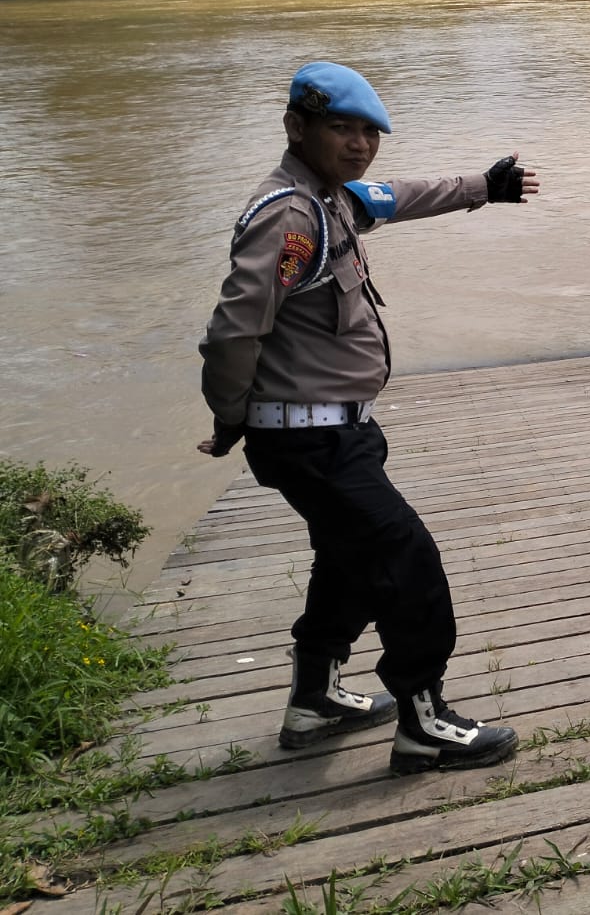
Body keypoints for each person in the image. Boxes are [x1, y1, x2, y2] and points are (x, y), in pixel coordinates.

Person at [196, 61, 536, 775]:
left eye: (369, 132)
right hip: (308, 437)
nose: (359, 145)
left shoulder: (331, 199)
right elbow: (235, 329)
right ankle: (424, 725)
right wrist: (231, 416)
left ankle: (315, 700)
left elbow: (400, 195)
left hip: (336, 430)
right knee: (407, 561)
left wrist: (484, 185)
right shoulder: (289, 217)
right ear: (297, 128)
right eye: (341, 129)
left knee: (349, 558)